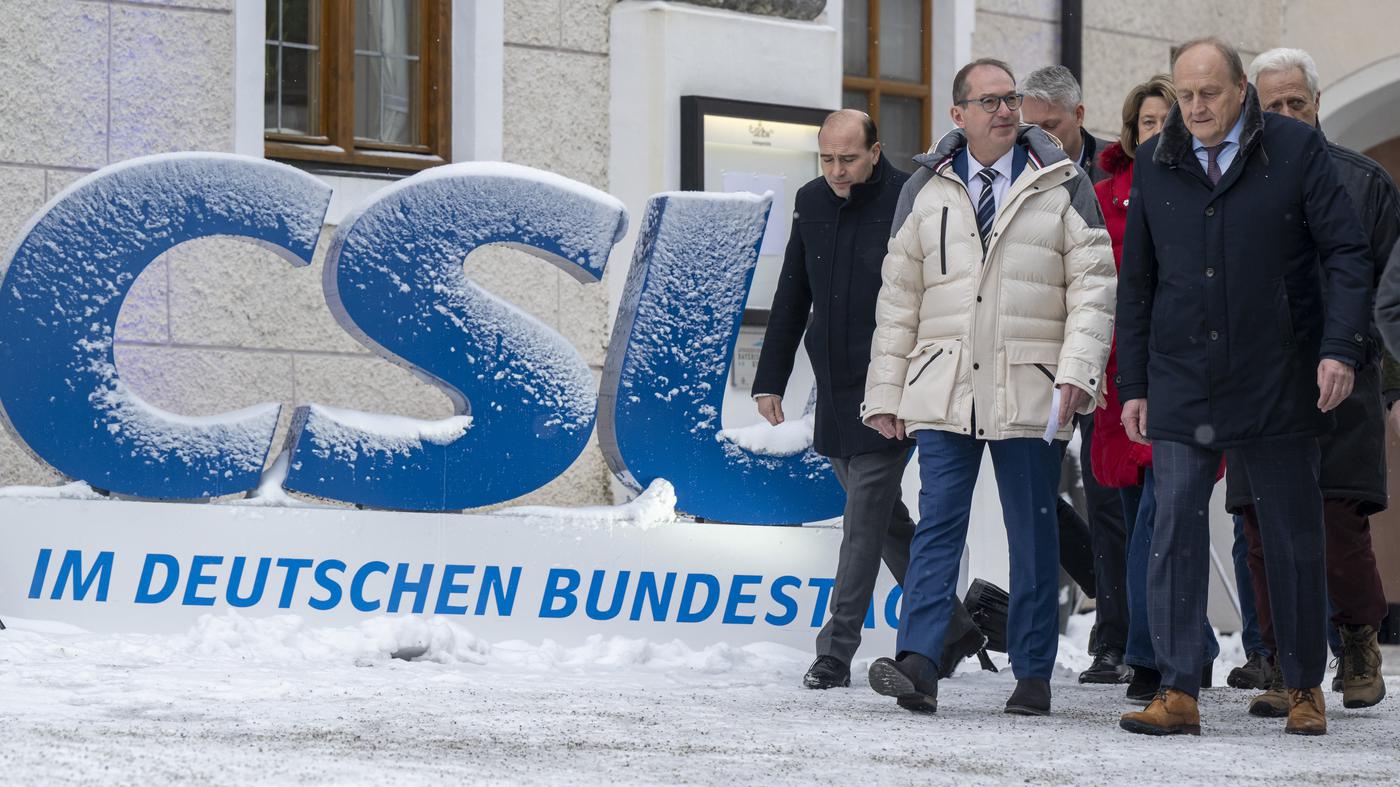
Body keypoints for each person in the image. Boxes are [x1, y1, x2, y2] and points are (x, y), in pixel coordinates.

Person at [1116, 37, 1372, 737]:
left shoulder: (1293, 148)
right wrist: (1133, 381)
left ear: (1240, 91)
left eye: (1209, 93)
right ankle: (1177, 688)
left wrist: (1339, 348)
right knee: (1172, 526)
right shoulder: (1156, 159)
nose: (1195, 107)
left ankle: (1303, 685)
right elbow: (1137, 281)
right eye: (1185, 94)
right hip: (1181, 374)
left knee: (1291, 532)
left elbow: (1346, 252)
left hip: (1277, 372)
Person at [860, 58, 1115, 716]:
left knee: (1032, 531)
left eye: (1011, 100)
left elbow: (1094, 287)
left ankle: (1032, 671)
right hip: (943, 385)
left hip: (1030, 387)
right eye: (990, 101)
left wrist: (1078, 371)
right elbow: (899, 299)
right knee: (937, 527)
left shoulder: (1063, 181)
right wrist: (885, 392)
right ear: (958, 115)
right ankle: (919, 661)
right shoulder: (925, 188)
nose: (1005, 111)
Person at [752, 109, 986, 691]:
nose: (836, 170)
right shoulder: (810, 200)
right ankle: (956, 629)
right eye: (827, 159)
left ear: (875, 152)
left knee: (861, 523)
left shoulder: (912, 197)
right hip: (833, 386)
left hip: (893, 387)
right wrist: (769, 378)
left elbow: (934, 294)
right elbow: (792, 293)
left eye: (848, 159)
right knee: (883, 522)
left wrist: (918, 380)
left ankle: (835, 651)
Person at [1225, 47, 1397, 715]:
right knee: (1260, 530)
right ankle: (1283, 665)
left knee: (1337, 527)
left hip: (1342, 381)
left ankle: (1357, 641)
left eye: (1296, 102)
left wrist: (1384, 380)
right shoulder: (1230, 182)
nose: (1286, 113)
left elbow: (1390, 293)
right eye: (1273, 104)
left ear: (1317, 104)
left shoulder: (1364, 182)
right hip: (1256, 385)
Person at [1088, 73, 1227, 703]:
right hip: (1121, 376)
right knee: (1138, 519)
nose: (1157, 132)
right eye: (1147, 122)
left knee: (1161, 518)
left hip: (1187, 374)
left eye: (1166, 121)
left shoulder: (1205, 187)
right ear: (1131, 131)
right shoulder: (1101, 197)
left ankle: (1151, 656)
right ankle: (1193, 645)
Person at [1022, 63, 1133, 685]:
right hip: (1035, 356)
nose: (1041, 136)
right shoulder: (1015, 170)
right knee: (1030, 491)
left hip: (1103, 360)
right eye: (1031, 125)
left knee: (1111, 498)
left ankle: (1114, 635)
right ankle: (1114, 595)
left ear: (1080, 116)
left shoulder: (1115, 172)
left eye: (1053, 125)